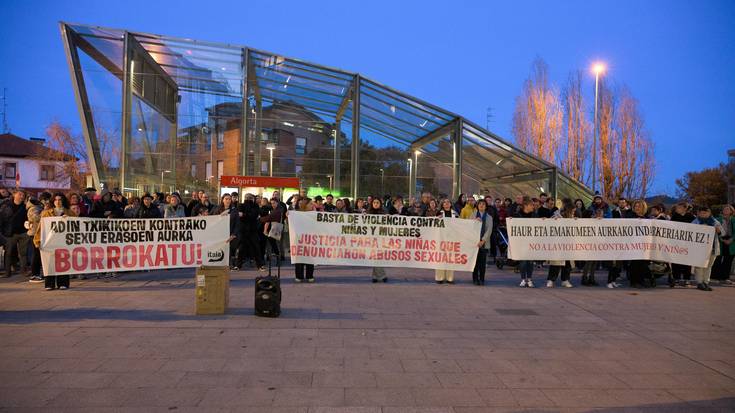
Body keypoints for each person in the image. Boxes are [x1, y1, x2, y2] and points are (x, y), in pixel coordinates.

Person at [41, 193, 77, 290]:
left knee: (63, 261)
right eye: (56, 200)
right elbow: (41, 228)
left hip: (64, 240)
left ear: (63, 201)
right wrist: (37, 241)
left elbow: (76, 226)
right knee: (49, 262)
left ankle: (63, 283)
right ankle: (49, 284)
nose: (58, 201)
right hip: (49, 241)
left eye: (60, 199)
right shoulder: (46, 213)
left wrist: (68, 219)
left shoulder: (69, 212)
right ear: (53, 201)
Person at [547, 199, 577, 288]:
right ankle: (551, 280)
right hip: (558, 243)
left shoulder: (572, 219)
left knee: (567, 263)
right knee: (556, 263)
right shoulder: (556, 216)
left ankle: (565, 279)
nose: (573, 213)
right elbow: (548, 225)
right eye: (572, 212)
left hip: (569, 243)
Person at [692, 206, 722, 291]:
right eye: (701, 213)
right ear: (698, 213)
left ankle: (706, 282)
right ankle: (699, 282)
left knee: (708, 266)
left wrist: (718, 230)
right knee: (699, 265)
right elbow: (689, 232)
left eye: (705, 213)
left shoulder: (715, 222)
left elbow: (723, 233)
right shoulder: (695, 222)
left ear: (709, 213)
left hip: (712, 247)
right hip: (699, 248)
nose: (703, 214)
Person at [1, 190, 29, 277]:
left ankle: (23, 271)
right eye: (20, 194)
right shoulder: (7, 206)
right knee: (8, 253)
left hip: (23, 233)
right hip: (10, 233)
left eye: (23, 195)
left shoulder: (26, 207)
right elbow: (2, 218)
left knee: (23, 253)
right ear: (14, 195)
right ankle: (7, 272)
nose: (21, 196)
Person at [27, 192, 51, 283]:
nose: (48, 202)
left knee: (39, 255)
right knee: (36, 255)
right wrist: (45, 211)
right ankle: (34, 274)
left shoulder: (39, 207)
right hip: (35, 234)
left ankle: (38, 273)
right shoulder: (33, 208)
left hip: (41, 233)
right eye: (47, 200)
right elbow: (36, 218)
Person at [238, 193, 266, 271]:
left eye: (249, 198)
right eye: (248, 198)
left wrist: (244, 215)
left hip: (251, 230)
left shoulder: (254, 206)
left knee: (255, 248)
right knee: (243, 248)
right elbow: (245, 216)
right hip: (246, 230)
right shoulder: (241, 205)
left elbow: (253, 215)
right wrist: (247, 215)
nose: (249, 199)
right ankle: (238, 265)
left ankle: (259, 265)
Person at [628, 200, 652, 288]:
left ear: (643, 207)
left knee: (643, 263)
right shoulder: (630, 216)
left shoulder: (647, 218)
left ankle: (641, 280)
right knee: (635, 263)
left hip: (644, 244)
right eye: (636, 206)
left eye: (639, 206)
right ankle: (633, 281)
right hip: (633, 243)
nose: (637, 208)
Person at [214, 193, 241, 270]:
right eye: (226, 199)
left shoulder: (234, 210)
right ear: (222, 200)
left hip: (231, 234)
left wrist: (233, 234)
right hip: (220, 234)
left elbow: (237, 224)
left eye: (229, 199)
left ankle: (230, 264)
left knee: (229, 249)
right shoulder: (217, 209)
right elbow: (212, 220)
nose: (228, 200)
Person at [435, 199, 459, 284]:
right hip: (441, 238)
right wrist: (437, 219)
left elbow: (459, 225)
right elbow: (433, 224)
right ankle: (440, 277)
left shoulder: (455, 214)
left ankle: (450, 278)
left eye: (448, 202)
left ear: (451, 204)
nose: (446, 204)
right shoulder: (439, 213)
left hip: (452, 238)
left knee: (451, 258)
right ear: (442, 204)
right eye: (444, 202)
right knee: (440, 257)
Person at [513, 199, 536, 287]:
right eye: (531, 205)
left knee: (530, 261)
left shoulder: (534, 215)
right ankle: (523, 279)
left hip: (531, 241)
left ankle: (529, 279)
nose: (533, 207)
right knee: (523, 261)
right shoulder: (517, 215)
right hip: (521, 241)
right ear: (526, 205)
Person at [293, 197, 316, 282]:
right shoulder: (296, 213)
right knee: (299, 257)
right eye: (310, 204)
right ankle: (299, 276)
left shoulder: (314, 214)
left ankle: (309, 275)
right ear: (305, 205)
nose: (312, 205)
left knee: (310, 257)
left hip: (310, 238)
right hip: (299, 238)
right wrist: (288, 214)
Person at [472, 199, 493, 285]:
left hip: (484, 243)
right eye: (480, 204)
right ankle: (475, 279)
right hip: (474, 242)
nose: (481, 205)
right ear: (477, 205)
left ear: (486, 206)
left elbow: (489, 230)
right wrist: (474, 221)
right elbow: (469, 227)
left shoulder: (489, 217)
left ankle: (482, 279)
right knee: (475, 262)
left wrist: (483, 240)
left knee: (482, 262)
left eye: (483, 204)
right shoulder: (472, 215)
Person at [367, 198, 388, 283]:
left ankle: (376, 276)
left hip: (381, 238)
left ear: (380, 204)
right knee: (375, 257)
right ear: (372, 204)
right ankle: (381, 276)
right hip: (371, 238)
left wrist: (388, 217)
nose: (376, 204)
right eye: (374, 202)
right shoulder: (368, 213)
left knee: (378, 257)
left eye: (377, 202)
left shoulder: (383, 213)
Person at [713, 204, 734, 284]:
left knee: (728, 261)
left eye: (728, 209)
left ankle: (725, 277)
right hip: (720, 240)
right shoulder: (717, 219)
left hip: (732, 242)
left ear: (731, 211)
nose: (726, 210)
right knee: (717, 259)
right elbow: (715, 231)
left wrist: (731, 239)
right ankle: (715, 277)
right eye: (724, 209)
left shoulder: (734, 220)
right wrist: (722, 239)